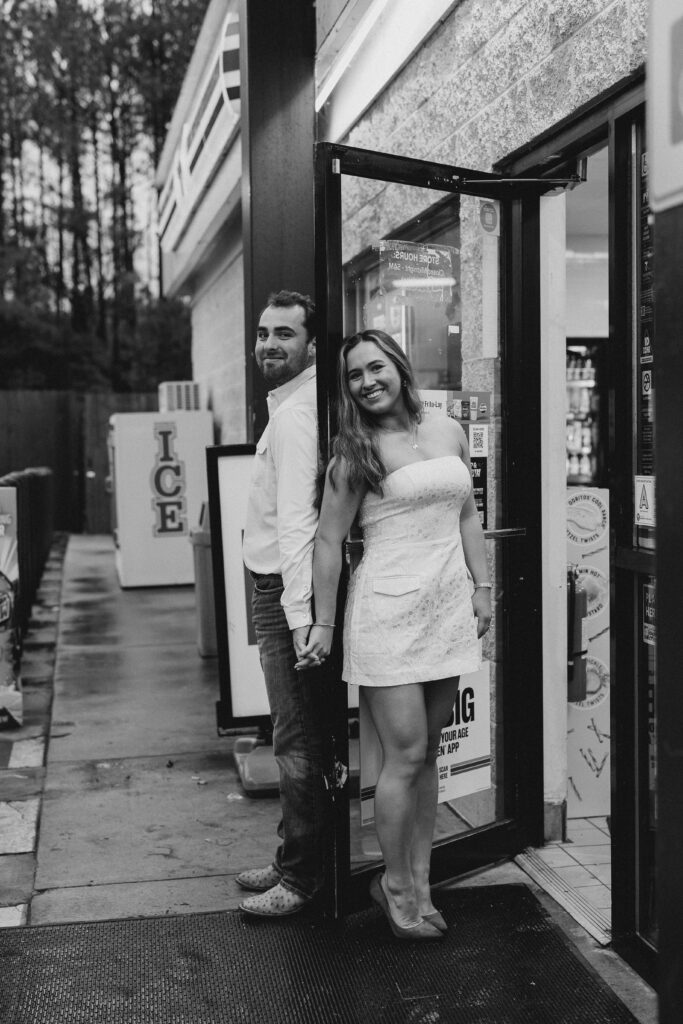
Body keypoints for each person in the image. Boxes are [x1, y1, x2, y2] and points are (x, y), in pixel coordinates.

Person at [297, 328, 492, 940]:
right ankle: (395, 884)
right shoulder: (353, 452)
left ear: (400, 368)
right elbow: (328, 541)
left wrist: (482, 586)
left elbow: (467, 514)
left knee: (429, 753)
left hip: (447, 609)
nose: (367, 382)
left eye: (375, 367)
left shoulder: (448, 430)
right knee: (404, 757)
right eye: (354, 375)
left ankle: (423, 881)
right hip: (387, 615)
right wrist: (322, 623)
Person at [238, 290, 325, 917]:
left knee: (295, 741)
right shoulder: (291, 406)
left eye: (285, 334)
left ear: (312, 345)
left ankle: (301, 879)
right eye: (264, 333)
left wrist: (298, 618)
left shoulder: (297, 416)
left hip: (284, 594)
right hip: (278, 589)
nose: (269, 343)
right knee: (292, 733)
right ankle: (292, 855)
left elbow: (298, 525)